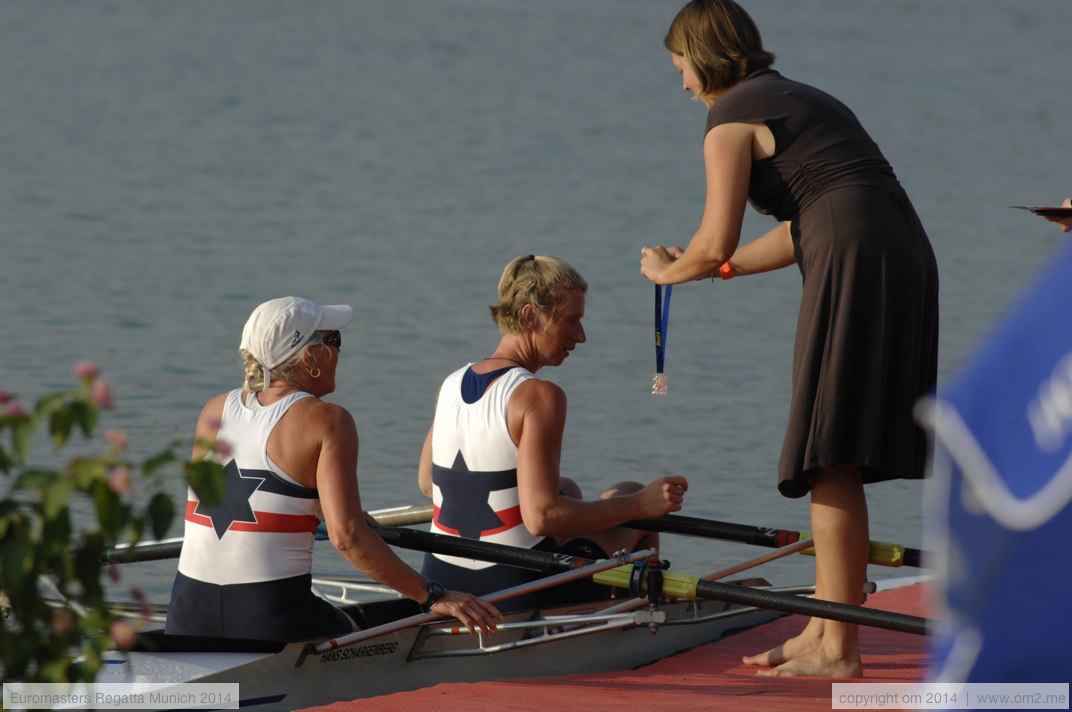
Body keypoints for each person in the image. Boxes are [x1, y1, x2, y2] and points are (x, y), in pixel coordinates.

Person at [640, 0, 939, 678]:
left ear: (702, 58)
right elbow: (804, 221)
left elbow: (714, 240)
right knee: (837, 450)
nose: (682, 84)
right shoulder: (800, 98)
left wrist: (668, 270)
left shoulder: (727, 120)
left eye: (679, 67)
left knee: (829, 450)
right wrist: (712, 269)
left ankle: (838, 647)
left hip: (855, 255)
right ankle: (829, 626)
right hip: (900, 250)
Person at [166, 296, 501, 641]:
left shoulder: (215, 410)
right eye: (334, 341)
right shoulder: (327, 420)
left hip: (187, 613)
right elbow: (348, 538)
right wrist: (434, 596)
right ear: (310, 356)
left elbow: (262, 497)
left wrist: (335, 512)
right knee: (369, 637)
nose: (340, 352)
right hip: (269, 618)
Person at [418, 255, 690, 611]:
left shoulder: (451, 382)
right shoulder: (540, 396)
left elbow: (428, 483)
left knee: (569, 489)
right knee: (631, 496)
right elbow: (541, 516)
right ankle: (640, 619)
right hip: (515, 588)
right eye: (571, 320)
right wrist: (642, 505)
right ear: (531, 317)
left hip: (442, 579)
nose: (581, 336)